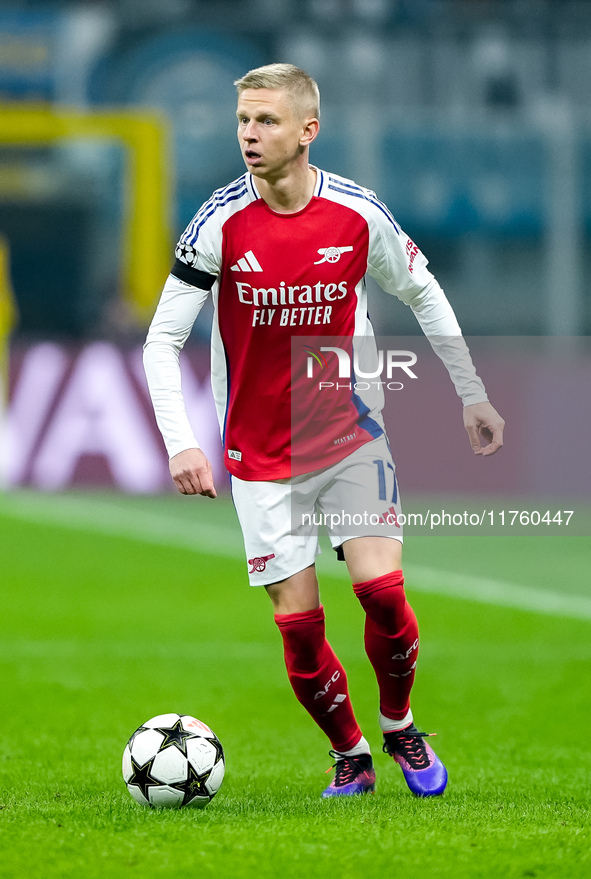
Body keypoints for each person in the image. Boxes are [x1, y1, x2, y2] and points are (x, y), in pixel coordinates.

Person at [143, 63, 504, 798]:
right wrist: (181, 439)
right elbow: (160, 340)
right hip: (258, 450)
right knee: (300, 627)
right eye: (243, 120)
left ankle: (398, 723)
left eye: (266, 121)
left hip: (347, 435)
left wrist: (472, 393)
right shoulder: (217, 222)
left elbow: (423, 292)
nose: (249, 134)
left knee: (381, 591)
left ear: (308, 130)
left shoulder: (357, 213)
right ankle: (350, 753)